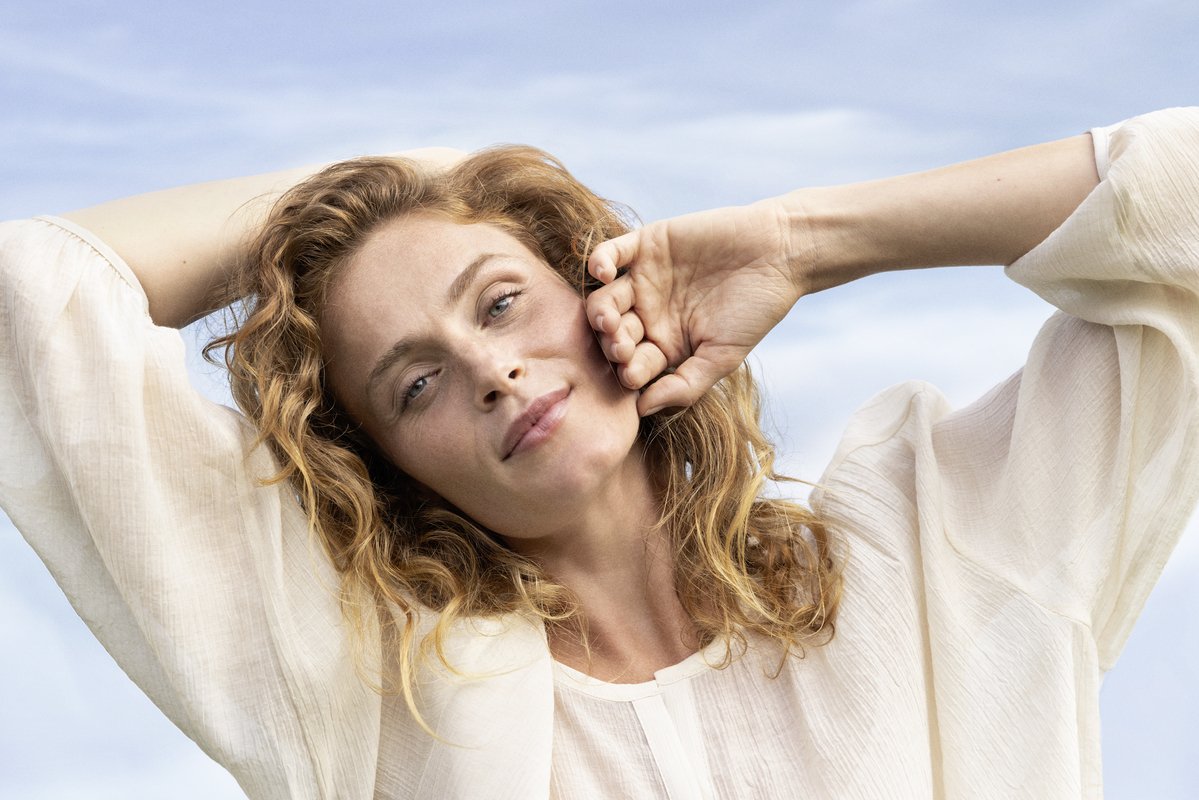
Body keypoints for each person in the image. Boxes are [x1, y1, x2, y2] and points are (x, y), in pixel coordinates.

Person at [1, 106, 1195, 798]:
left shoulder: (934, 547)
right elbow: (28, 297)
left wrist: (806, 239)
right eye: (414, 381)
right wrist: (395, 168)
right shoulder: (378, 700)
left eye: (503, 299)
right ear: (389, 465)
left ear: (598, 285)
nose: (488, 369)